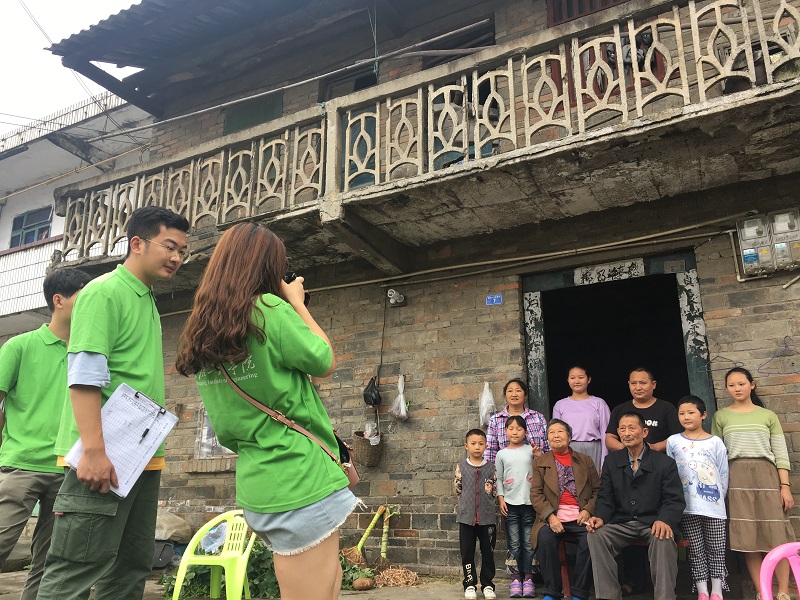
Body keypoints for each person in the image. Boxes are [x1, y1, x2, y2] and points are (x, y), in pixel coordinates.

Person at [174, 223, 356, 600]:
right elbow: (324, 360)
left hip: (259, 483)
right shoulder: (269, 310)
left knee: (327, 582)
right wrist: (297, 303)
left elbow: (227, 425)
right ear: (268, 268)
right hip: (299, 479)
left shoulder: (203, 329)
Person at [38, 206, 189, 600]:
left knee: (130, 569)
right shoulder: (104, 292)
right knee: (75, 568)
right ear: (137, 243)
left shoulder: (146, 297)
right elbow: (84, 376)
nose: (176, 257)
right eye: (169, 246)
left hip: (140, 457)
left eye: (182, 251)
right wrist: (93, 451)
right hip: (102, 458)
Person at [0, 268, 91, 600]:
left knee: (52, 564)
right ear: (59, 300)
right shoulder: (19, 346)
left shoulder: (89, 351)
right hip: (20, 465)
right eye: (84, 295)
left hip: (69, 470)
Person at [712, 367, 794, 600]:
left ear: (752, 385)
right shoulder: (721, 417)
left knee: (776, 535)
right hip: (736, 479)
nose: (737, 388)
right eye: (731, 385)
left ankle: (783, 591)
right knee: (748, 539)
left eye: (741, 383)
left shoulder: (767, 416)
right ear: (726, 389)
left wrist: (785, 487)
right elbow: (717, 455)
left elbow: (780, 453)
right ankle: (762, 591)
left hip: (766, 477)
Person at [586, 412, 686, 600]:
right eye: (622, 429)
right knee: (597, 535)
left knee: (663, 536)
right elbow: (606, 496)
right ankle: (608, 596)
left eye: (632, 428)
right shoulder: (612, 461)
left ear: (644, 432)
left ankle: (665, 597)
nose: (626, 433)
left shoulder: (664, 463)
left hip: (652, 522)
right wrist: (600, 517)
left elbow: (674, 499)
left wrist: (664, 520)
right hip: (622, 522)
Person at [666, 396, 729, 600]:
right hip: (687, 506)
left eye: (691, 412)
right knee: (695, 550)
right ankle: (702, 591)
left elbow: (723, 473)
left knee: (716, 548)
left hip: (714, 506)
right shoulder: (673, 441)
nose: (686, 417)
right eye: (682, 413)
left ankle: (717, 591)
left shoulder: (715, 442)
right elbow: (669, 473)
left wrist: (720, 500)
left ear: (703, 415)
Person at [484, 378, 548, 578]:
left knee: (531, 532)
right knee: (513, 534)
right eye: (510, 390)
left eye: (518, 390)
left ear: (525, 394)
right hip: (509, 487)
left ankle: (530, 574)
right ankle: (516, 574)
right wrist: (496, 490)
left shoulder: (537, 418)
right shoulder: (496, 420)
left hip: (532, 487)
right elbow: (490, 453)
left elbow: (546, 449)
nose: (514, 394)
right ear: (505, 395)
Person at [531, 419, 601, 600]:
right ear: (547, 438)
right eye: (552, 432)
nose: (556, 436)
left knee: (591, 539)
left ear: (569, 437)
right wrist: (550, 516)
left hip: (581, 517)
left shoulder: (585, 460)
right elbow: (536, 494)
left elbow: (598, 491)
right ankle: (552, 591)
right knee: (545, 538)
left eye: (560, 432)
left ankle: (579, 592)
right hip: (552, 517)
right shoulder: (540, 462)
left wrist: (588, 510)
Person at [455, 429, 497, 600]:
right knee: (467, 552)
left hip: (487, 517)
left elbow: (494, 490)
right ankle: (469, 584)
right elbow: (458, 489)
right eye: (473, 443)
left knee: (488, 552)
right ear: (466, 446)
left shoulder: (491, 467)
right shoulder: (461, 467)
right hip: (466, 517)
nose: (477, 447)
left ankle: (488, 585)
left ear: (486, 446)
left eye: (481, 444)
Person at [497, 416, 536, 598]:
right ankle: (515, 578)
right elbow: (499, 478)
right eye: (511, 428)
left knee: (529, 543)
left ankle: (528, 578)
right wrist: (501, 498)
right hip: (510, 503)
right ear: (505, 431)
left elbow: (541, 470)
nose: (515, 432)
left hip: (529, 503)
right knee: (514, 542)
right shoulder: (501, 454)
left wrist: (539, 456)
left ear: (525, 432)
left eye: (519, 429)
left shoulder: (531, 450)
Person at [605, 368, 681, 453]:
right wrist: (626, 448)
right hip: (627, 459)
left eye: (643, 383)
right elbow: (609, 438)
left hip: (659, 458)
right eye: (634, 383)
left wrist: (655, 447)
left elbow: (678, 437)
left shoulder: (667, 408)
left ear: (653, 384)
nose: (638, 388)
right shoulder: (619, 410)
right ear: (629, 384)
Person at [552, 366, 610, 472]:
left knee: (595, 480)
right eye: (572, 378)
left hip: (594, 448)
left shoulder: (599, 403)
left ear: (589, 379)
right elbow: (556, 434)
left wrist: (604, 462)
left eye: (581, 377)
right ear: (568, 380)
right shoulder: (560, 405)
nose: (577, 381)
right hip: (569, 449)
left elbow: (605, 432)